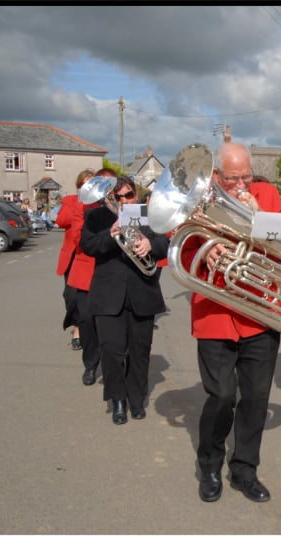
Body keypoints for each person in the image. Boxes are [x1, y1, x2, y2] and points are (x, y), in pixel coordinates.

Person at [181, 141, 281, 504]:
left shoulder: (267, 194)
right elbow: (177, 245)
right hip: (216, 313)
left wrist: (260, 219)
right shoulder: (197, 199)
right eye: (232, 179)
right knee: (222, 396)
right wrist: (206, 247)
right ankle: (209, 464)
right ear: (215, 175)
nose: (241, 185)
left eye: (246, 177)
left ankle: (245, 470)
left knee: (256, 398)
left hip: (260, 312)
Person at [80, 175, 169, 425]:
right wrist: (110, 234)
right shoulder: (96, 217)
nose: (123, 201)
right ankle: (117, 399)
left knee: (140, 351)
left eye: (128, 195)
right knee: (111, 350)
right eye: (117, 197)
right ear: (109, 197)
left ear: (135, 195)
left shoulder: (145, 214)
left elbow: (165, 243)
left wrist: (150, 244)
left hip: (142, 291)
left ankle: (137, 398)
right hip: (108, 294)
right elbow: (88, 246)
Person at [58, 169, 105, 387]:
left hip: (109, 272)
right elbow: (78, 239)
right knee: (86, 319)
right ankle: (90, 364)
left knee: (109, 322)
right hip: (85, 270)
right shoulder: (79, 206)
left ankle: (112, 362)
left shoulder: (112, 205)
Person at [57, 168, 94, 351]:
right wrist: (79, 204)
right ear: (79, 186)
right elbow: (61, 221)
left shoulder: (98, 203)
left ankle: (82, 328)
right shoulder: (70, 200)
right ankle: (77, 325)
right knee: (71, 296)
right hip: (73, 256)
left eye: (91, 183)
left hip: (90, 255)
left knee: (87, 297)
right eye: (84, 184)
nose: (87, 187)